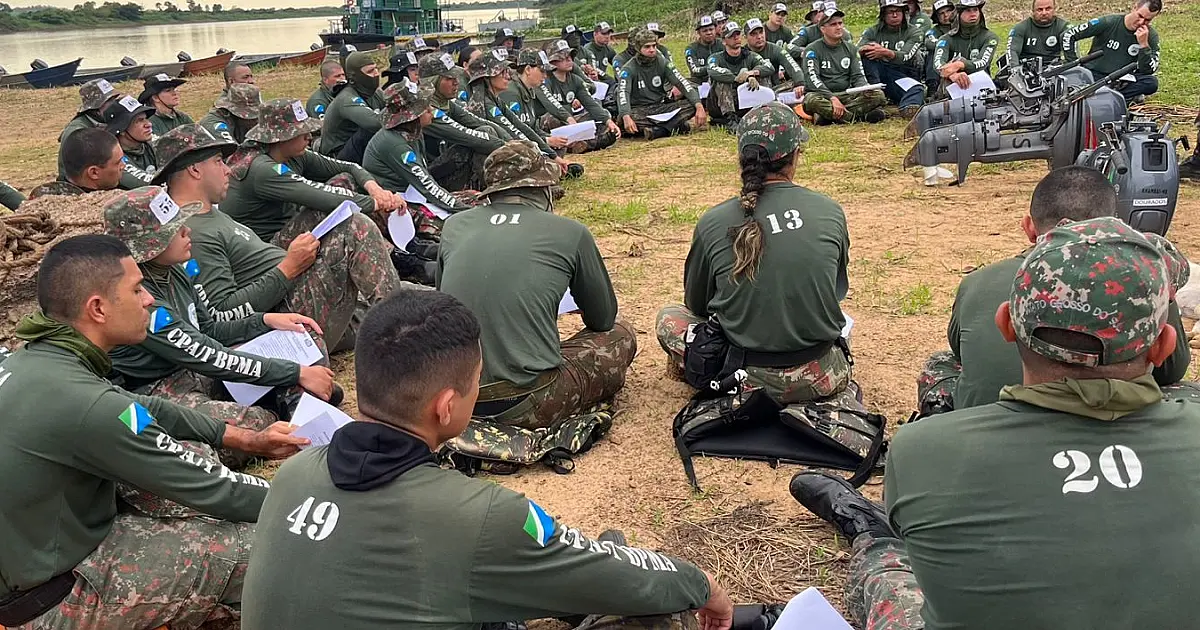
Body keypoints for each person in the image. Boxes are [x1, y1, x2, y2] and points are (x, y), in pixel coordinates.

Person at [793, 215, 1200, 630]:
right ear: (1164, 346)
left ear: (1005, 324)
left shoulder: (923, 450)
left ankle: (871, 533)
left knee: (890, 564)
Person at [240, 289, 734, 630]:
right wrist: (703, 583)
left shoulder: (296, 473)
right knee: (663, 614)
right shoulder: (482, 517)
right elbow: (632, 580)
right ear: (447, 406)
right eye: (476, 381)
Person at [0, 234, 304, 630]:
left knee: (192, 472)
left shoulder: (39, 360)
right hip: (52, 598)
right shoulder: (86, 404)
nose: (148, 300)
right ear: (98, 309)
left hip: (37, 552)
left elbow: (144, 409)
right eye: (137, 289)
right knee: (264, 549)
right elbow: (218, 489)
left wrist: (239, 437)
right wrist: (312, 503)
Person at [916, 166, 1191, 416]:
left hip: (991, 421)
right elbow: (1173, 369)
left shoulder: (980, 281)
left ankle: (940, 420)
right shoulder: (1146, 279)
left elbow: (960, 350)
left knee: (942, 362)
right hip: (1115, 427)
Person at [103, 186, 339, 437]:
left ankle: (295, 403)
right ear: (149, 247)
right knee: (255, 424)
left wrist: (265, 321)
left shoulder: (174, 270)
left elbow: (210, 328)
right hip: (161, 388)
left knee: (301, 336)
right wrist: (295, 372)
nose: (187, 230)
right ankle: (292, 404)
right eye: (174, 230)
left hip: (199, 373)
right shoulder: (139, 298)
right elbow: (207, 353)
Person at [656, 103, 851, 404]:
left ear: (741, 157)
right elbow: (835, 291)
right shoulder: (829, 211)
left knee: (669, 318)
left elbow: (697, 304)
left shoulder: (713, 221)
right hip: (822, 375)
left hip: (741, 378)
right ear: (795, 155)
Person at [438, 140, 636, 430]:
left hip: (455, 402)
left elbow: (446, 305)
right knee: (621, 333)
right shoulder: (569, 232)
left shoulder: (454, 227)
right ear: (544, 187)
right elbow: (603, 318)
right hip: (527, 400)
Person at [158, 123, 402, 354]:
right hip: (285, 319)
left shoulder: (209, 214)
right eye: (219, 161)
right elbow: (221, 314)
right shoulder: (192, 233)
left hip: (295, 298)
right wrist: (288, 268)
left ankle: (399, 314)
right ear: (195, 169)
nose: (228, 170)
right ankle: (404, 338)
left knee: (417, 302)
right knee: (355, 228)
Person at [222, 98, 404, 244]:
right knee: (334, 208)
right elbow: (322, 196)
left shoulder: (292, 153)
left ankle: (397, 244)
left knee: (345, 180)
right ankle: (394, 254)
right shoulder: (261, 168)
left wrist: (376, 190)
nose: (309, 137)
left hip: (287, 228)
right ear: (281, 138)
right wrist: (377, 203)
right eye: (301, 133)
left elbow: (349, 166)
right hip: (266, 246)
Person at [363, 80, 475, 234]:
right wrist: (467, 211)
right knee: (459, 226)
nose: (430, 110)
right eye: (424, 108)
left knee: (476, 197)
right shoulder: (396, 144)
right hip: (398, 204)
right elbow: (428, 187)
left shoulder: (412, 132)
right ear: (411, 117)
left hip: (416, 191)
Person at [465, 49, 582, 178]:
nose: (508, 76)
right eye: (502, 72)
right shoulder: (485, 102)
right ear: (487, 77)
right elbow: (510, 134)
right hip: (478, 167)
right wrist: (542, 154)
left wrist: (551, 155)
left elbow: (521, 126)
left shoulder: (495, 99)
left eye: (507, 71)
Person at [419, 52, 508, 192]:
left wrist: (520, 145)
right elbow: (468, 136)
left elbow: (481, 122)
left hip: (446, 166)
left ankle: (500, 187)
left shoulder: (445, 102)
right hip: (430, 177)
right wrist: (513, 150)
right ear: (432, 81)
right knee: (483, 136)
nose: (456, 82)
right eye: (449, 78)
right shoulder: (424, 109)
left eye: (456, 77)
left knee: (488, 129)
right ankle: (499, 189)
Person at [1062, 0, 1161, 104]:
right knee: (1079, 80)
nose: (1141, 22)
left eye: (1147, 20)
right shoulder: (1109, 22)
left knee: (1151, 83)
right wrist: (1074, 66)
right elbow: (1068, 35)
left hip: (1123, 80)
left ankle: (1110, 96)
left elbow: (1148, 70)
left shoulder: (1150, 35)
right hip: (1096, 74)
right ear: (1134, 7)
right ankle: (1116, 97)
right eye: (1140, 16)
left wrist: (1144, 46)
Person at [617, 28, 707, 139]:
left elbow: (681, 82)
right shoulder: (628, 69)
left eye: (654, 46)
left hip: (660, 106)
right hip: (639, 110)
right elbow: (623, 93)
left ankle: (658, 131)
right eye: (647, 47)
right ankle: (677, 127)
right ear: (638, 48)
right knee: (624, 119)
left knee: (691, 105)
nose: (652, 50)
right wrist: (626, 116)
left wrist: (699, 106)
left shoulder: (662, 62)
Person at [802, 7, 888, 124]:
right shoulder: (812, 50)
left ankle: (830, 116)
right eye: (833, 24)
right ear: (823, 29)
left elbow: (858, 76)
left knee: (878, 95)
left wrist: (865, 88)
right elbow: (812, 79)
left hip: (846, 94)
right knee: (811, 101)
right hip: (822, 95)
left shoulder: (851, 49)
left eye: (840, 23)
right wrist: (832, 98)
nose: (838, 27)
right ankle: (858, 117)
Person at [545, 39, 621, 152]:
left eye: (570, 56)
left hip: (571, 118)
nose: (569, 60)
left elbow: (590, 103)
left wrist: (608, 121)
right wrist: (569, 119)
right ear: (552, 61)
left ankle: (580, 144)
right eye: (563, 58)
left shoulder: (575, 80)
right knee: (554, 120)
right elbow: (549, 106)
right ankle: (590, 143)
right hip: (551, 120)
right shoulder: (545, 80)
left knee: (600, 116)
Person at [858, 0, 927, 116]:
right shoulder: (872, 31)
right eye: (890, 12)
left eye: (898, 11)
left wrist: (885, 52)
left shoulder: (915, 32)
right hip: (877, 74)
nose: (895, 15)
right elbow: (856, 50)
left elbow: (906, 56)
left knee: (917, 89)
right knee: (868, 55)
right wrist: (866, 49)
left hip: (902, 74)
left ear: (904, 13)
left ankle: (907, 108)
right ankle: (877, 96)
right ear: (883, 14)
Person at [320, 51, 386, 163]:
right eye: (370, 71)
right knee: (371, 129)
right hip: (337, 156)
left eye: (376, 69)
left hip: (356, 148)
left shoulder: (374, 93)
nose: (376, 74)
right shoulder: (347, 98)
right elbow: (375, 123)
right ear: (354, 77)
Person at [707, 22, 774, 127]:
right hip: (719, 104)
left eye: (738, 34)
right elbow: (713, 71)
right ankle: (730, 119)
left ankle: (765, 111)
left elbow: (769, 67)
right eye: (732, 36)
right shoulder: (715, 58)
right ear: (724, 41)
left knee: (762, 76)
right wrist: (736, 78)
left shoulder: (750, 55)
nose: (736, 38)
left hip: (744, 100)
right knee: (722, 80)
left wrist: (751, 74)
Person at [29, 127, 125, 198]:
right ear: (94, 172)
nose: (123, 166)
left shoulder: (44, 196)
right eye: (118, 162)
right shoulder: (105, 210)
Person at [57, 78, 120, 181]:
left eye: (114, 99)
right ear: (96, 107)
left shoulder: (104, 121)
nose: (114, 104)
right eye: (109, 101)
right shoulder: (77, 131)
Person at [501, 48, 576, 135]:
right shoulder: (511, 93)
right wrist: (547, 141)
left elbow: (531, 128)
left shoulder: (527, 89)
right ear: (528, 70)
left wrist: (550, 139)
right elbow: (515, 133)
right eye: (542, 71)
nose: (545, 76)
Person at [932, 0, 999, 95]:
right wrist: (953, 75)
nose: (972, 14)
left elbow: (983, 62)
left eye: (975, 10)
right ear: (958, 14)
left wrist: (960, 64)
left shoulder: (990, 37)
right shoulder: (945, 39)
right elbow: (938, 65)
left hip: (982, 86)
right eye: (968, 10)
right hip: (952, 86)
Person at [102, 95, 158, 189]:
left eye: (146, 118)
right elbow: (146, 184)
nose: (148, 124)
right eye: (139, 121)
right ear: (122, 129)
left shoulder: (149, 143)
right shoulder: (114, 158)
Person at [745, 18, 806, 98]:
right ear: (746, 37)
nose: (759, 37)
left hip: (775, 90)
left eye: (761, 32)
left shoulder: (775, 49)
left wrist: (799, 83)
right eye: (754, 34)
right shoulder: (743, 53)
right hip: (750, 92)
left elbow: (792, 65)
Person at [1003, 0, 1068, 74]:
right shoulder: (1020, 28)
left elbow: (1072, 56)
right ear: (1033, 11)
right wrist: (1016, 70)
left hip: (1053, 69)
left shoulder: (1063, 27)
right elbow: (1012, 51)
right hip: (1027, 70)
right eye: (1039, 10)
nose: (1044, 13)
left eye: (1048, 9)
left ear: (1054, 9)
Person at [787, 0, 853, 60]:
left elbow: (852, 53)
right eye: (827, 13)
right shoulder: (808, 31)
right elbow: (790, 46)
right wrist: (806, 52)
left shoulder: (844, 34)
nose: (832, 17)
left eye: (835, 14)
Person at [139, 73, 193, 137]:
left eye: (174, 89)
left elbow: (198, 136)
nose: (174, 93)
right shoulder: (149, 122)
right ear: (155, 98)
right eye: (168, 90)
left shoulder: (182, 117)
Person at [922, 0, 957, 93]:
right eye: (941, 13)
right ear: (936, 17)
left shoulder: (963, 26)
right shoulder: (933, 31)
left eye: (948, 11)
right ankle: (932, 87)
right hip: (942, 62)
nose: (946, 15)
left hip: (961, 60)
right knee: (932, 53)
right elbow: (929, 43)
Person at [686, 15, 720, 84]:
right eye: (705, 31)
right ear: (699, 33)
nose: (709, 33)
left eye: (711, 29)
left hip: (720, 80)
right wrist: (714, 68)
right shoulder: (691, 49)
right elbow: (695, 71)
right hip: (699, 83)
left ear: (715, 30)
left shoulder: (723, 44)